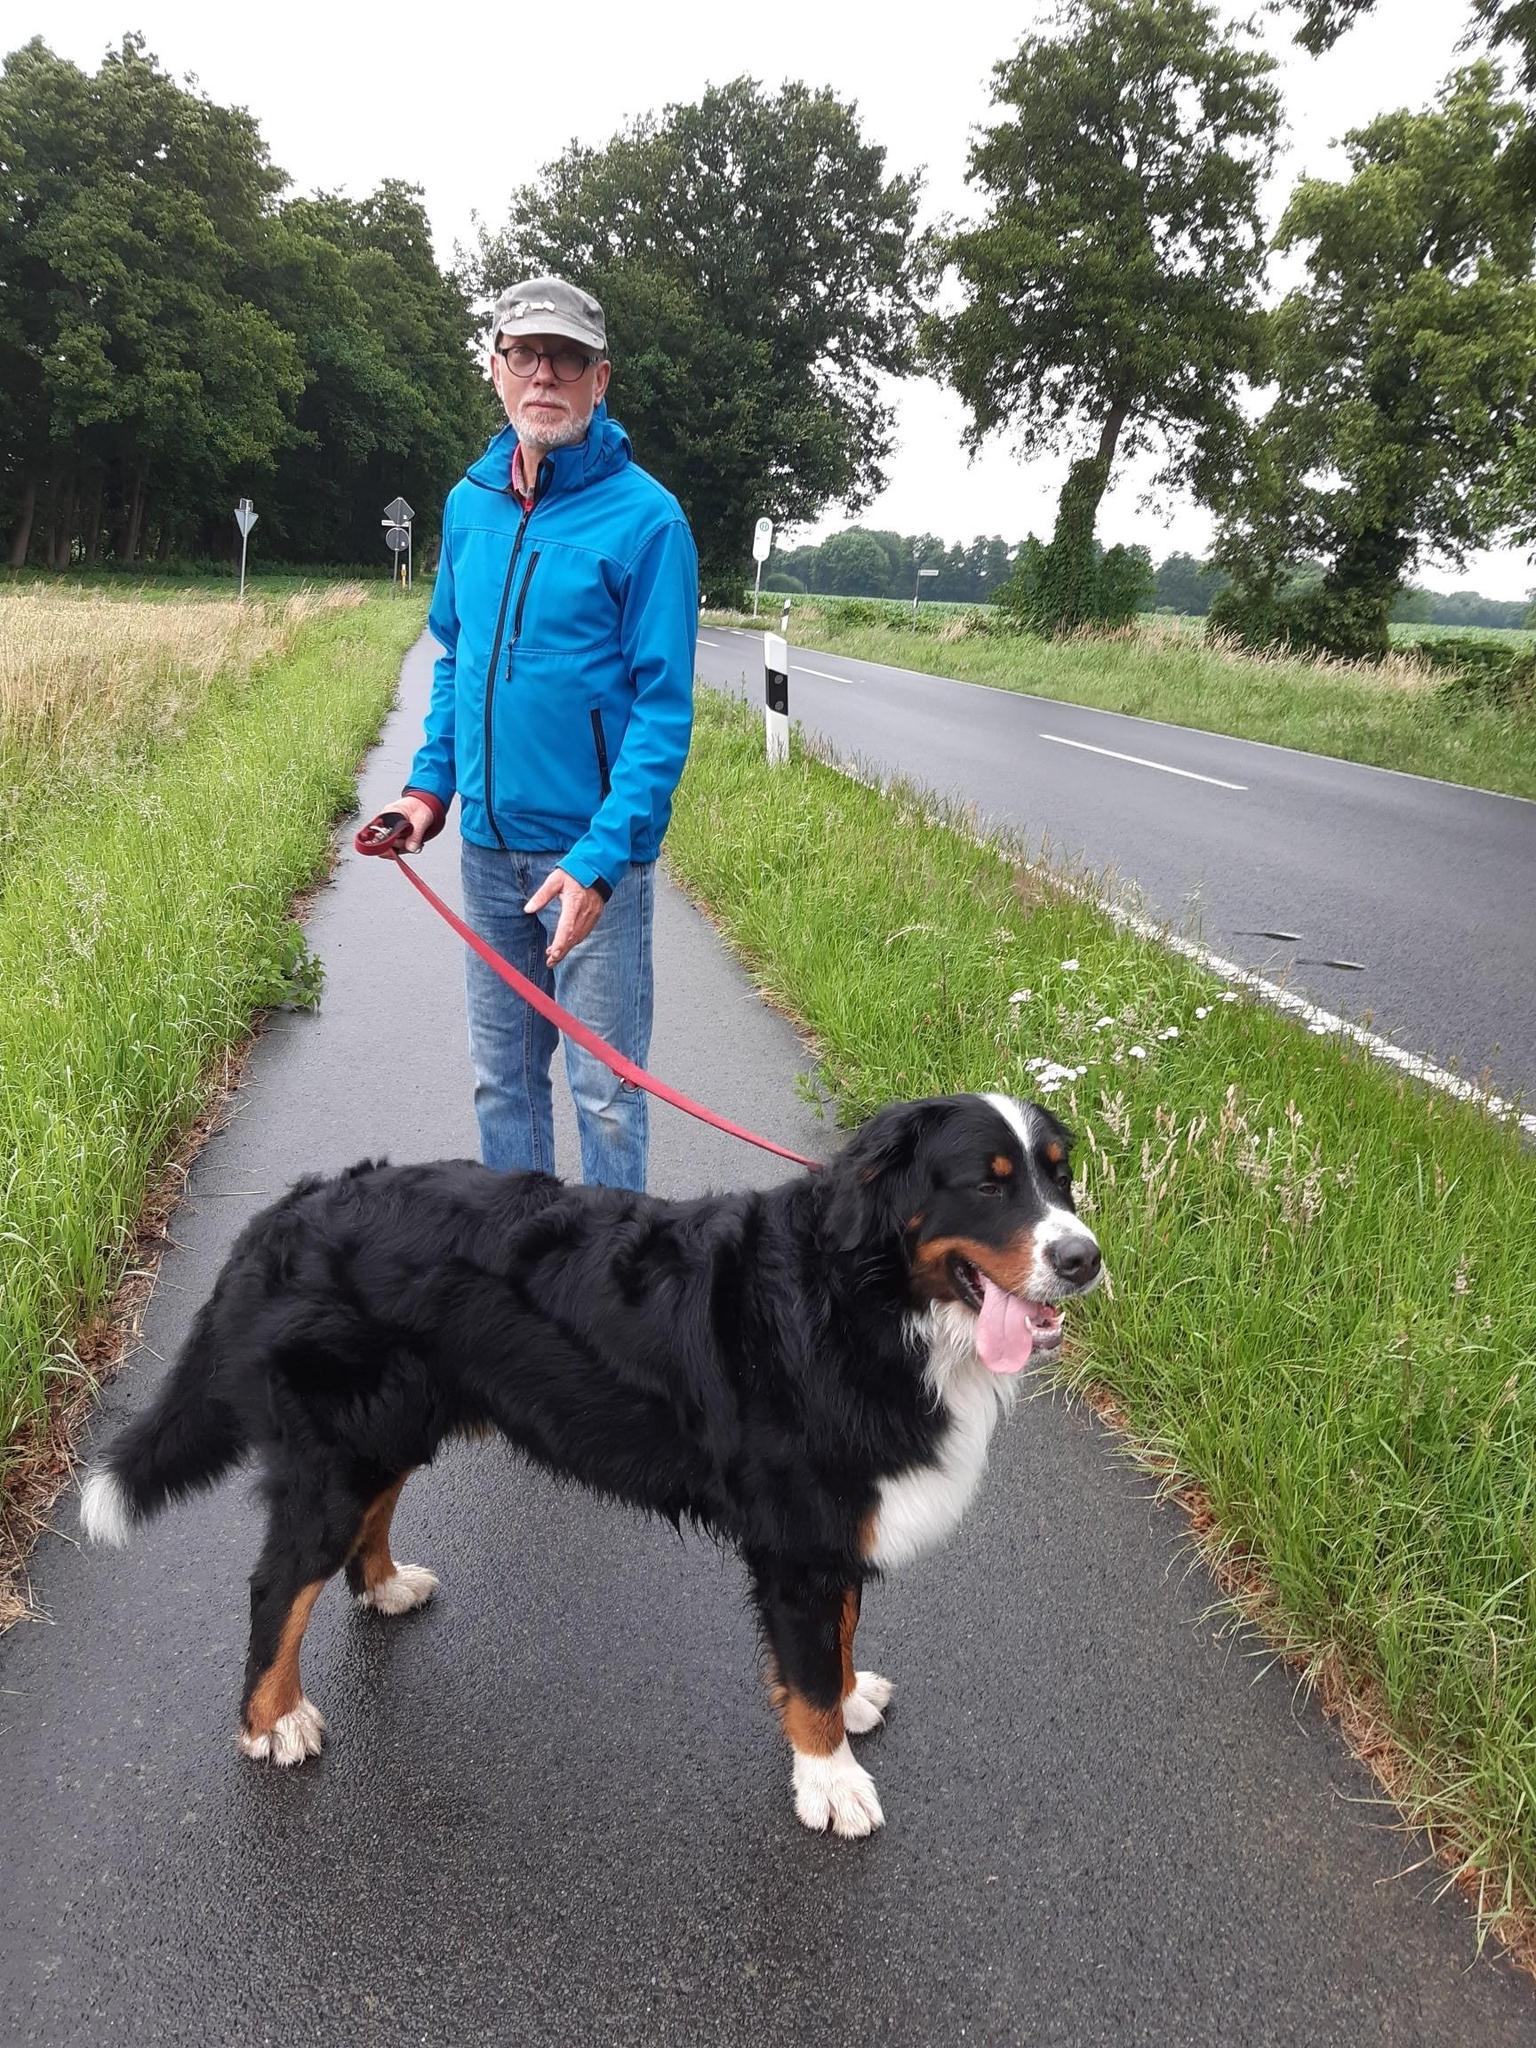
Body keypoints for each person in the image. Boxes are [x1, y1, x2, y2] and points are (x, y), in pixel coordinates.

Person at [368, 276, 697, 1191]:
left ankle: (616, 1276)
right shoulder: (467, 504)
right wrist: (427, 791)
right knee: (502, 1085)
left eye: (568, 358)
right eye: (526, 354)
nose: (544, 374)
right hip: (487, 853)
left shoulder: (649, 522)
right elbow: (457, 660)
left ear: (601, 379)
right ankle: (522, 1269)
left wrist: (600, 862)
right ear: (496, 368)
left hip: (590, 864)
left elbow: (663, 713)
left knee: (605, 1094)